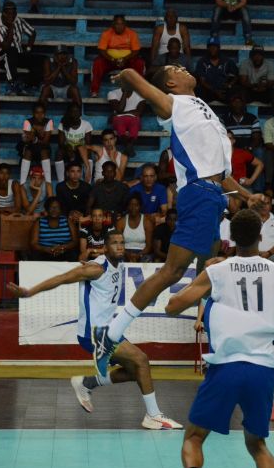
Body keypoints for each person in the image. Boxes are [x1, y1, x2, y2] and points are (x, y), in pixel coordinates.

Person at [90, 65, 265, 377]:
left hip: (213, 197)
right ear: (171, 82)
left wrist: (247, 195)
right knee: (173, 272)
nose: (184, 69)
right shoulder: (175, 104)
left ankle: (222, 349)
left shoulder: (204, 108)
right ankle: (111, 334)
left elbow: (222, 176)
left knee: (210, 273)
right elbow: (145, 88)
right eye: (177, 69)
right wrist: (130, 74)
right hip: (198, 194)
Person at [165, 209, 274, 468]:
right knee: (257, 445)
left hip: (225, 366)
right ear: (261, 237)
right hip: (263, 369)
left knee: (193, 437)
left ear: (232, 238)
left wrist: (204, 278)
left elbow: (172, 306)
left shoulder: (216, 271)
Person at [7, 232, 182, 430]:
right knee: (141, 360)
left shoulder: (120, 264)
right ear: (105, 248)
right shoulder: (96, 269)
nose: (120, 246)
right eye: (114, 243)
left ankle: (88, 383)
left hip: (110, 329)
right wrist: (29, 292)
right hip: (94, 333)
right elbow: (63, 278)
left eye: (122, 242)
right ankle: (153, 415)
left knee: (138, 371)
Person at [91, 15, 144, 97]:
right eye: (117, 24)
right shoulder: (106, 33)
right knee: (98, 62)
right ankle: (94, 91)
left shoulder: (132, 34)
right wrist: (112, 59)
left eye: (122, 24)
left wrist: (125, 59)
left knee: (139, 63)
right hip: (110, 60)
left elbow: (136, 50)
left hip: (127, 61)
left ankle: (140, 91)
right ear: (113, 24)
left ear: (125, 24)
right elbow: (102, 50)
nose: (119, 26)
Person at [0, 0, 39, 95]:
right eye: (8, 14)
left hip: (17, 55)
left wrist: (28, 49)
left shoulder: (18, 20)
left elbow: (32, 33)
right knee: (11, 50)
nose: (11, 16)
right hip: (2, 56)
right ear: (3, 13)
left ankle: (27, 84)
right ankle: (12, 83)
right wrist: (11, 28)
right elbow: (6, 46)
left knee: (41, 60)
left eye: (13, 13)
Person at [30, 197, 78, 261]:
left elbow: (75, 241)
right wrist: (46, 249)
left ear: (61, 209)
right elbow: (33, 243)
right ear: (47, 209)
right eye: (51, 207)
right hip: (44, 252)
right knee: (35, 255)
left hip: (64, 252)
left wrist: (62, 247)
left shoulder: (67, 221)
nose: (54, 210)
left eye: (57, 207)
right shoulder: (39, 222)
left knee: (73, 254)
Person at [55, 103, 93, 183]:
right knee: (59, 153)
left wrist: (77, 148)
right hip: (68, 150)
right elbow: (61, 143)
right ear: (69, 113)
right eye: (72, 112)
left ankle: (87, 181)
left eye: (77, 111)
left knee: (89, 153)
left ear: (80, 113)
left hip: (81, 151)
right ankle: (61, 181)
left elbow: (88, 144)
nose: (75, 114)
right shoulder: (63, 124)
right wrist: (68, 148)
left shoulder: (86, 124)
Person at [194, 37, 238, 105]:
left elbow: (235, 76)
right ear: (207, 48)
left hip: (223, 90)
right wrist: (215, 91)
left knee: (234, 91)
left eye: (215, 47)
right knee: (198, 90)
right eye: (210, 47)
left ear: (219, 48)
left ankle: (229, 115)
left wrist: (229, 85)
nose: (212, 49)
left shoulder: (227, 61)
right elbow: (202, 81)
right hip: (208, 90)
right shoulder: (202, 61)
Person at [18, 102, 53, 185]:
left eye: (42, 113)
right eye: (37, 113)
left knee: (44, 151)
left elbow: (45, 142)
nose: (40, 115)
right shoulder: (28, 122)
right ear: (33, 113)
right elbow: (28, 139)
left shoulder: (49, 121)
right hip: (30, 147)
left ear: (45, 113)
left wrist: (35, 138)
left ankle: (48, 182)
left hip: (44, 147)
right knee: (28, 152)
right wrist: (37, 137)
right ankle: (22, 183)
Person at [107, 85, 145, 158]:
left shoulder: (141, 94)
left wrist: (118, 113)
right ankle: (129, 146)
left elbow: (139, 112)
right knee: (119, 123)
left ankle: (128, 146)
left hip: (133, 118)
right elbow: (120, 109)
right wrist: (125, 92)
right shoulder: (112, 93)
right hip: (118, 119)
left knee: (135, 122)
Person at [116, 195, 152, 262]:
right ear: (127, 206)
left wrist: (139, 255)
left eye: (136, 205)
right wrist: (127, 254)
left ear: (140, 206)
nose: (133, 208)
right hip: (124, 251)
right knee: (118, 260)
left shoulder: (147, 222)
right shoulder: (121, 222)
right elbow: (118, 244)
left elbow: (149, 246)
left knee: (147, 261)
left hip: (142, 252)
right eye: (131, 205)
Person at [254, 195, 274, 264]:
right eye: (262, 203)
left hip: (272, 254)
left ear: (271, 205)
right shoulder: (251, 220)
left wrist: (268, 253)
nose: (264, 206)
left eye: (267, 203)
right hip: (253, 254)